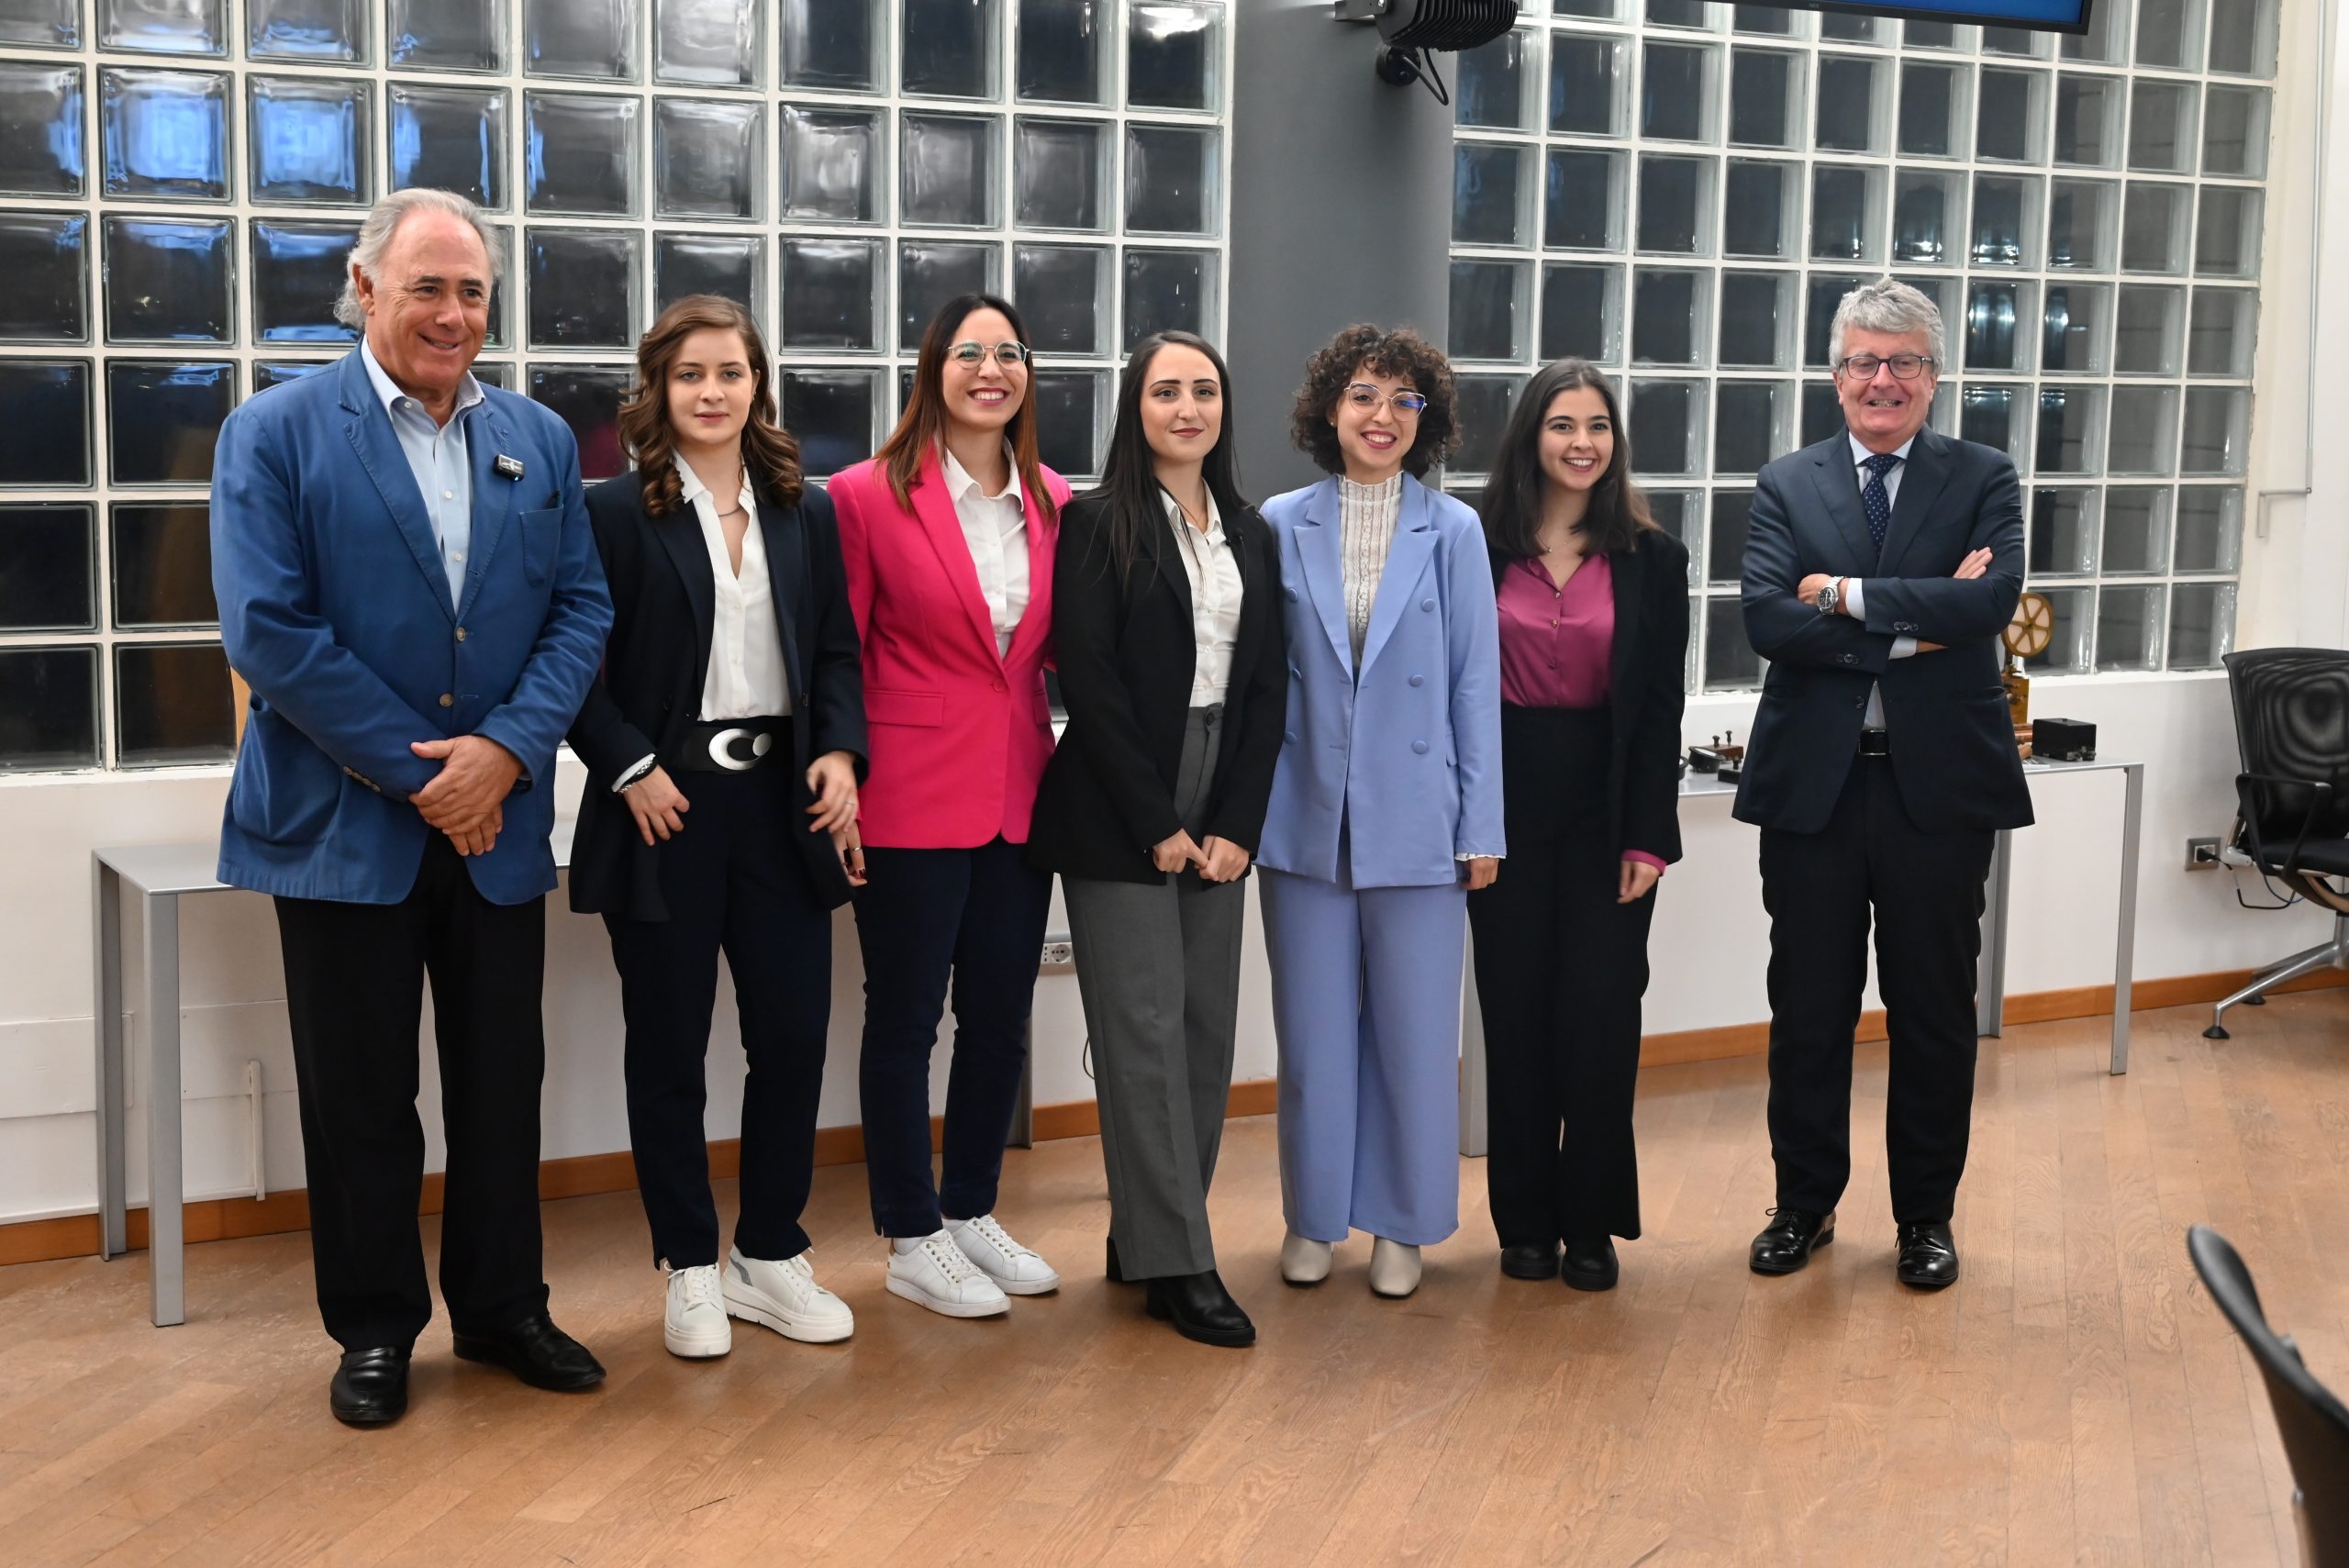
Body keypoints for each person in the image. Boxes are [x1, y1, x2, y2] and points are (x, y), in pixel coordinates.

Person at [209, 188, 613, 1426]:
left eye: (472, 290)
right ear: (365, 286)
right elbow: (271, 633)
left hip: (498, 826)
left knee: (501, 1084)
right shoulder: (274, 433)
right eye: (427, 285)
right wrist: (439, 776)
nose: (452, 313)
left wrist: (507, 750)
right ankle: (375, 1327)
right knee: (361, 1096)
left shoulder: (539, 439)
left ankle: (502, 1308)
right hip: (343, 830)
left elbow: (579, 609)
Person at [565, 295, 867, 1358]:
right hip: (665, 809)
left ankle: (770, 1252)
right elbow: (568, 663)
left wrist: (841, 752)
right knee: (670, 1047)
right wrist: (629, 767)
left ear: (757, 386)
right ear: (659, 387)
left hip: (783, 808)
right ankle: (689, 1263)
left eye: (730, 372)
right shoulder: (612, 512)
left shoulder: (805, 509)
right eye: (689, 373)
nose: (711, 391)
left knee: (791, 1036)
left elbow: (834, 651)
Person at [1735, 276, 2031, 1290]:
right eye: (1864, 360)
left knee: (1934, 1012)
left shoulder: (1983, 475)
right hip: (1814, 791)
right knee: (1808, 1009)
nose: (1882, 379)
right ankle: (1803, 1204)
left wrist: (1844, 595)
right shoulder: (1787, 482)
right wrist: (1916, 624)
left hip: (1937, 792)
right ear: (1836, 377)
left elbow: (1990, 604)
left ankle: (1924, 1217)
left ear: (1933, 377)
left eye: (1904, 362)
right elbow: (1768, 619)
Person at [1028, 332, 1286, 1348]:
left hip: (1222, 792)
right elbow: (1088, 684)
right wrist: (1159, 824)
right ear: (1135, 406)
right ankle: (1182, 1259)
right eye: (1167, 390)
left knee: (1202, 1032)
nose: (1188, 407)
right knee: (1140, 1034)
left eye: (1204, 390)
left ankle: (1147, 1235)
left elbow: (1267, 687)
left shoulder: (1251, 532)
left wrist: (1236, 825)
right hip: (1120, 801)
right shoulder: (1096, 523)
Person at [828, 294, 1073, 1318]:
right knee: (905, 1018)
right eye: (969, 351)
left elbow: (1059, 655)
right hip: (907, 791)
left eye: (1009, 352)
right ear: (933, 368)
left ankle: (970, 1206)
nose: (990, 369)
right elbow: (837, 652)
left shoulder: (1055, 499)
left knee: (1000, 1018)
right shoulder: (864, 495)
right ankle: (910, 1230)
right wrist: (839, 772)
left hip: (1020, 793)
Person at [1255, 323, 1504, 1300]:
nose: (1382, 415)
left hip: (1421, 820)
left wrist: (1481, 825)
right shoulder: (1280, 521)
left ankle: (1403, 1221)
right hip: (1302, 816)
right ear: (1330, 409)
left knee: (1413, 1039)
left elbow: (1473, 686)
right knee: (1313, 1040)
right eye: (1364, 394)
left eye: (1404, 400)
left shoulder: (1455, 530)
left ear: (1424, 420)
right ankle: (1313, 1215)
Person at [1468, 359, 1689, 1293]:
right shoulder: (1473, 545)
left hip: (1608, 808)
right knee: (1515, 1014)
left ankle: (1591, 1220)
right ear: (1531, 435)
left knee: (1600, 1016)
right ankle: (1524, 1221)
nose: (1582, 442)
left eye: (1597, 426)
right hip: (1502, 805)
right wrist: (1465, 820)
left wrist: (1649, 835)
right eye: (1562, 424)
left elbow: (1660, 710)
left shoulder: (1654, 558)